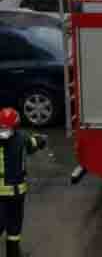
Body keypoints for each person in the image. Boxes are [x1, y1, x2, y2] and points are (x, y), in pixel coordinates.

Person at [0, 108, 47, 257]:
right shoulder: (22, 139)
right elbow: (36, 144)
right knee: (14, 227)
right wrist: (41, 139)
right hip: (16, 194)